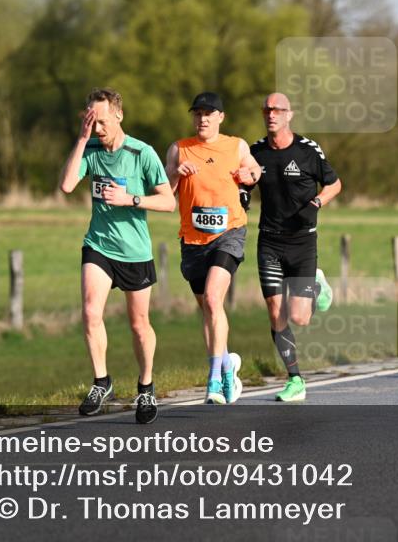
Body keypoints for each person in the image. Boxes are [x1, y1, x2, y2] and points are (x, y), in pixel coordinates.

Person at [58, 88, 175, 424]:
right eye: (92, 122)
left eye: (103, 122)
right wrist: (81, 140)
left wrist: (130, 199)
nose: (98, 128)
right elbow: (67, 185)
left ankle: (146, 386)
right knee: (91, 311)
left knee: (139, 325)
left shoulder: (142, 153)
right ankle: (101, 382)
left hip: (135, 251)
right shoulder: (91, 147)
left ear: (119, 115)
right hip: (99, 245)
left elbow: (168, 202)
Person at [240, 93, 342, 401]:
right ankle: (295, 379)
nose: (271, 114)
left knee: (299, 318)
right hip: (269, 240)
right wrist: (242, 192)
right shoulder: (255, 151)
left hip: (302, 241)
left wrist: (316, 202)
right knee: (275, 312)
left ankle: (317, 286)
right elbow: (244, 182)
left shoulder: (308, 150)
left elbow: (335, 184)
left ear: (289, 114)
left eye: (278, 110)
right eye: (267, 109)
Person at [166, 92, 262, 404]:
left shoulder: (236, 145)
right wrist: (173, 175)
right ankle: (227, 364)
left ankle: (215, 379)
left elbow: (254, 170)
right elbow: (166, 196)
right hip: (193, 240)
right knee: (208, 310)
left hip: (229, 232)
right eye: (197, 114)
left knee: (212, 298)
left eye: (209, 113)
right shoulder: (179, 149)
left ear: (221, 117)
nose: (202, 119)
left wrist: (250, 175)